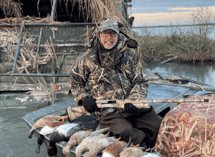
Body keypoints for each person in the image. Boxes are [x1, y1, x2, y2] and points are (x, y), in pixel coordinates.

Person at [69, 19, 162, 148]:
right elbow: (74, 82)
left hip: (134, 108)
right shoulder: (86, 59)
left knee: (160, 126)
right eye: (105, 34)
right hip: (109, 113)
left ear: (119, 36)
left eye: (112, 34)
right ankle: (141, 149)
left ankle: (155, 147)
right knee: (130, 135)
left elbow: (141, 82)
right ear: (99, 35)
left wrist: (134, 100)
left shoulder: (131, 57)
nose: (109, 38)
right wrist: (84, 98)